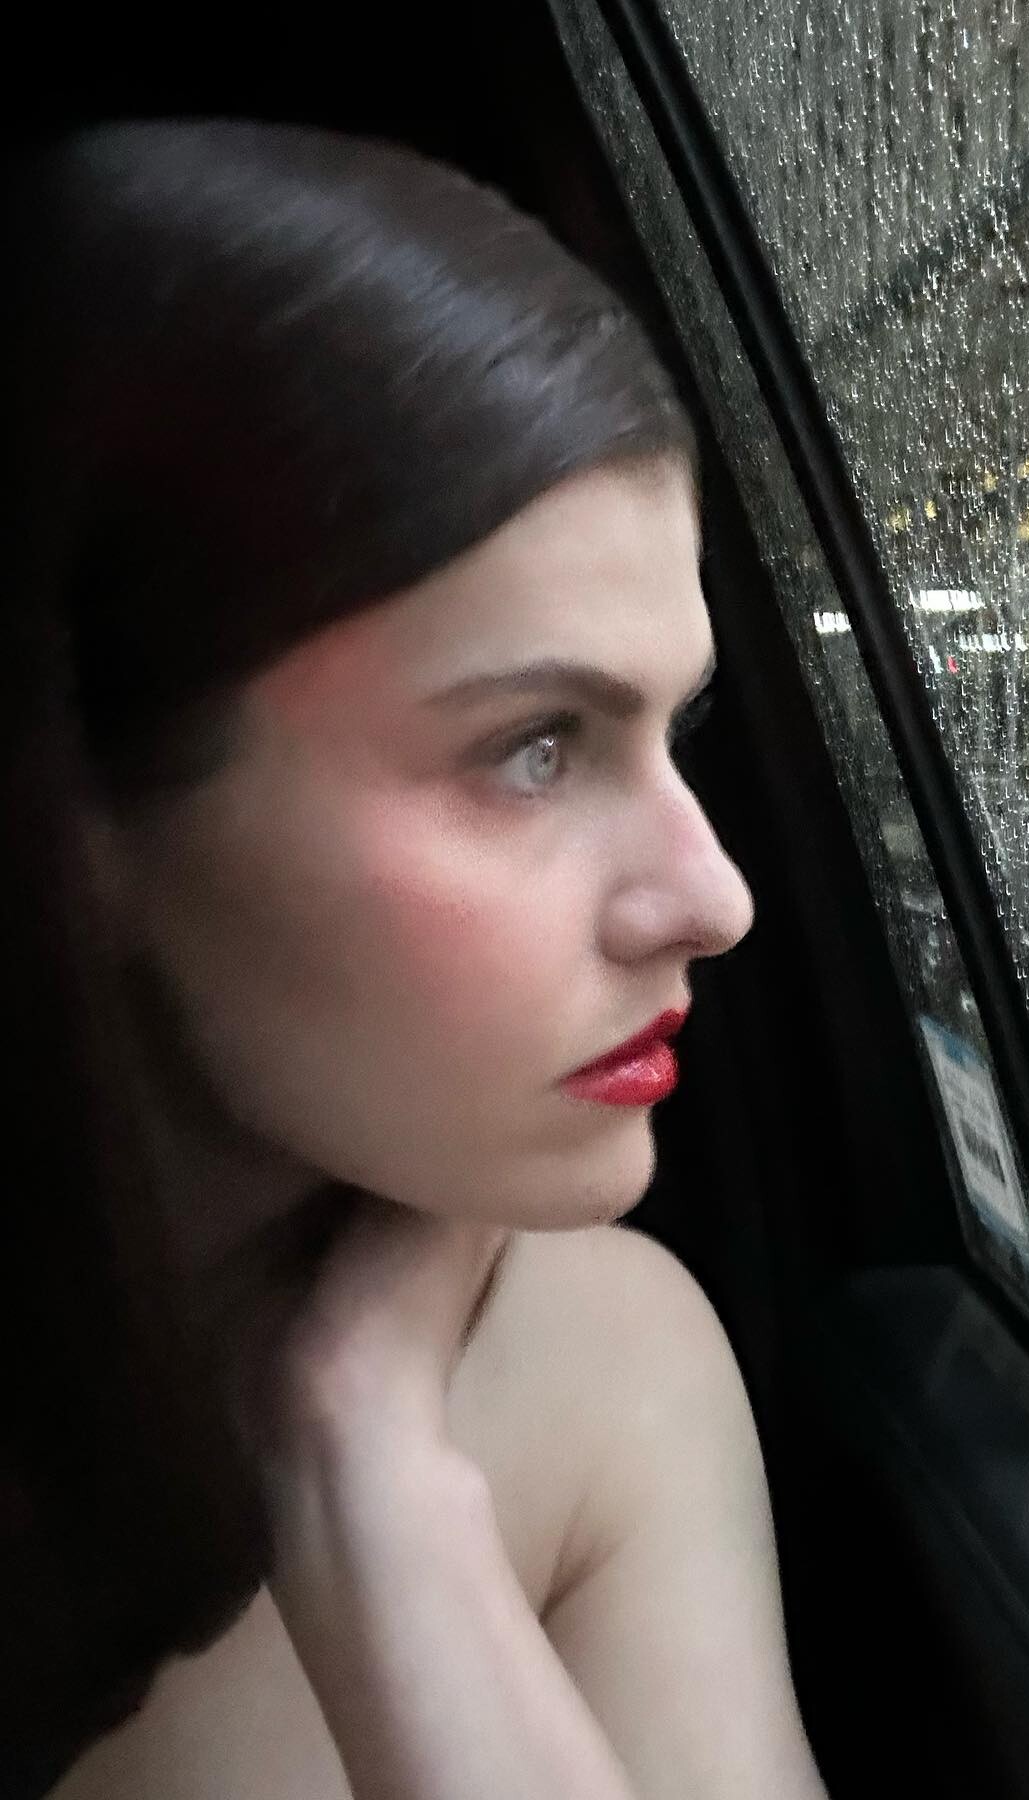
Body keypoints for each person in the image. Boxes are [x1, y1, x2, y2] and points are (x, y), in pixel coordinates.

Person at [1, 118, 829, 1798]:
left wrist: (379, 1484)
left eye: (676, 734)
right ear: (81, 813)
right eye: (534, 747)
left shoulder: (602, 1375)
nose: (714, 897)